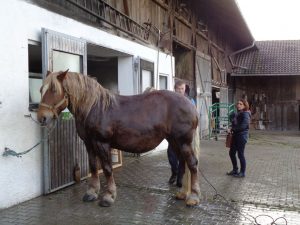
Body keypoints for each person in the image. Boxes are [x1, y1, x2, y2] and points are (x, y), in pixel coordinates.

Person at [168, 80, 196, 187]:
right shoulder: (170, 101)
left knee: (183, 157)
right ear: (175, 89)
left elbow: (194, 116)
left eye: (182, 89)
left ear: (185, 89)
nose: (180, 91)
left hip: (184, 135)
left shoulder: (190, 101)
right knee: (171, 156)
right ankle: (174, 173)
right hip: (172, 134)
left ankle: (180, 178)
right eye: (178, 89)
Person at [226, 99, 251, 178]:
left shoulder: (246, 114)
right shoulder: (238, 113)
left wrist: (232, 129)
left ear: (244, 105)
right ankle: (235, 169)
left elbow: (243, 126)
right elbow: (235, 124)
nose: (238, 105)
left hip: (242, 137)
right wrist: (232, 122)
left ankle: (242, 172)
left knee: (240, 155)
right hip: (235, 136)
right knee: (232, 153)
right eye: (238, 103)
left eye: (241, 104)